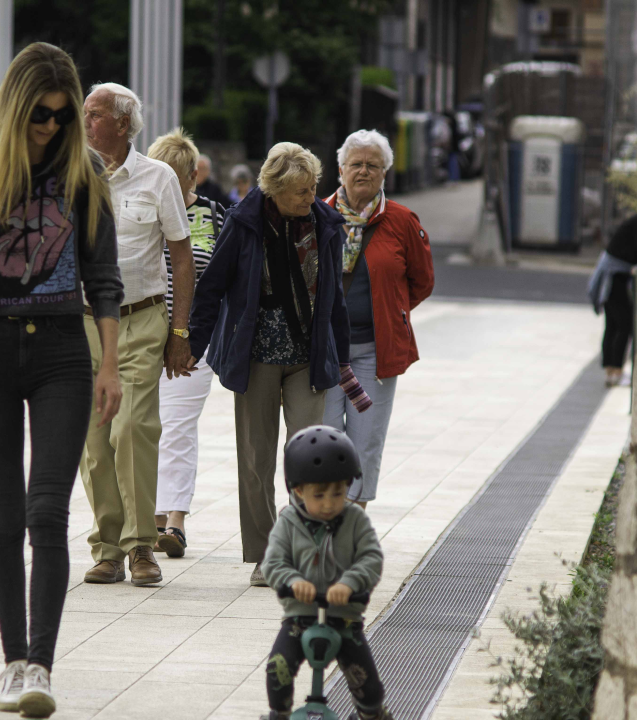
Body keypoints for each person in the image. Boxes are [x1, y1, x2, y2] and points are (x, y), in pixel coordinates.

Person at [0, 42, 124, 718]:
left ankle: (41, 663)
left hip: (64, 350)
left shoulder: (84, 168)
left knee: (49, 513)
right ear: (15, 107)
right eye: (40, 115)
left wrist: (111, 365)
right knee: (5, 519)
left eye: (64, 118)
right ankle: (13, 662)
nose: (50, 128)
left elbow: (105, 277)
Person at [188, 142, 355, 587]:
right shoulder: (244, 222)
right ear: (275, 189)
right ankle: (265, 555)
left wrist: (342, 360)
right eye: (300, 191)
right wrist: (191, 343)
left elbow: (334, 299)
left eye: (312, 188)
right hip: (255, 355)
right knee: (257, 460)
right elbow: (211, 286)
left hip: (306, 356)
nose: (309, 198)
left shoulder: (325, 224)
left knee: (310, 458)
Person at [79, 82, 194, 586]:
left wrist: (180, 330)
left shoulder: (159, 177)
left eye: (96, 114)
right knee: (95, 440)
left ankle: (142, 545)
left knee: (134, 429)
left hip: (142, 319)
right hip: (83, 321)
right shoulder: (69, 176)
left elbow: (182, 256)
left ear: (123, 124)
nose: (85, 122)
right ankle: (108, 548)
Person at [323, 129, 435, 508]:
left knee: (365, 440)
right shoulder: (318, 216)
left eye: (374, 165)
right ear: (340, 169)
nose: (364, 171)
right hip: (324, 353)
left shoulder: (402, 221)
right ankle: (321, 518)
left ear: (385, 173)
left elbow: (421, 281)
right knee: (322, 439)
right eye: (356, 164)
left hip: (375, 352)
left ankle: (350, 522)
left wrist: (391, 312)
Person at [260, 426, 390, 720]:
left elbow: (371, 557)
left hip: (344, 616)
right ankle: (279, 714)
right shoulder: (288, 522)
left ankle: (372, 714)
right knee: (277, 669)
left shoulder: (355, 519)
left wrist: (350, 582)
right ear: (298, 490)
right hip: (299, 617)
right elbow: (273, 562)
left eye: (339, 493)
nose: (330, 503)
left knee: (366, 683)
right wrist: (292, 581)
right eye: (319, 495)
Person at [146, 128, 225, 558]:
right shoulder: (142, 214)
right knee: (142, 428)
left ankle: (172, 521)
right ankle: (149, 517)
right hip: (140, 335)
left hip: (193, 341)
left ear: (193, 176)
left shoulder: (215, 217)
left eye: (176, 178)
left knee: (176, 427)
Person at [588, 195, 637, 386]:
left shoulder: (635, 221)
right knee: (624, 324)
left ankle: (610, 370)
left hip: (611, 275)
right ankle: (616, 370)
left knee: (612, 324)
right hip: (616, 277)